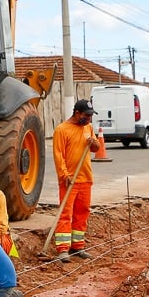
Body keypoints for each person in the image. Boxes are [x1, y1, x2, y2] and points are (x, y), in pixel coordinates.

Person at [52, 99, 101, 263]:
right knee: (65, 213)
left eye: (91, 116)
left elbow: (95, 149)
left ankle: (77, 245)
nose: (89, 119)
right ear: (77, 113)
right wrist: (64, 175)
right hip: (69, 180)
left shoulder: (89, 128)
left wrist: (95, 143)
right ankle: (63, 249)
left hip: (85, 178)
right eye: (86, 115)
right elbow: (59, 156)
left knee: (83, 212)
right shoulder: (62, 130)